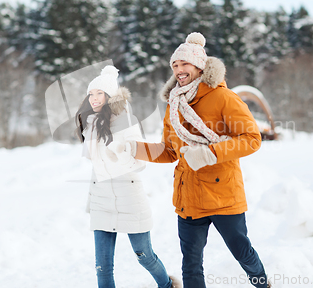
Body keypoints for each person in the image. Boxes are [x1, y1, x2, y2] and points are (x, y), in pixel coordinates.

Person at [118, 33, 270, 288]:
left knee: (242, 253)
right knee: (190, 262)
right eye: (175, 65)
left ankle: (263, 285)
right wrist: (133, 148)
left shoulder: (224, 98)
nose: (179, 69)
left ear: (199, 66)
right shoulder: (173, 105)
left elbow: (251, 138)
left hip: (223, 196)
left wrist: (210, 153)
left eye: (184, 64)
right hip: (189, 197)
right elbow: (169, 151)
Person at [75, 65, 179, 288]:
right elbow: (94, 163)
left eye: (99, 93)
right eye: (91, 94)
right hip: (102, 199)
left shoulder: (126, 120)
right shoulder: (90, 124)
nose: (93, 98)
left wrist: (118, 152)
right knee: (103, 266)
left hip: (129, 197)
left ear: (110, 96)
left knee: (145, 256)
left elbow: (139, 162)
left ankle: (167, 285)